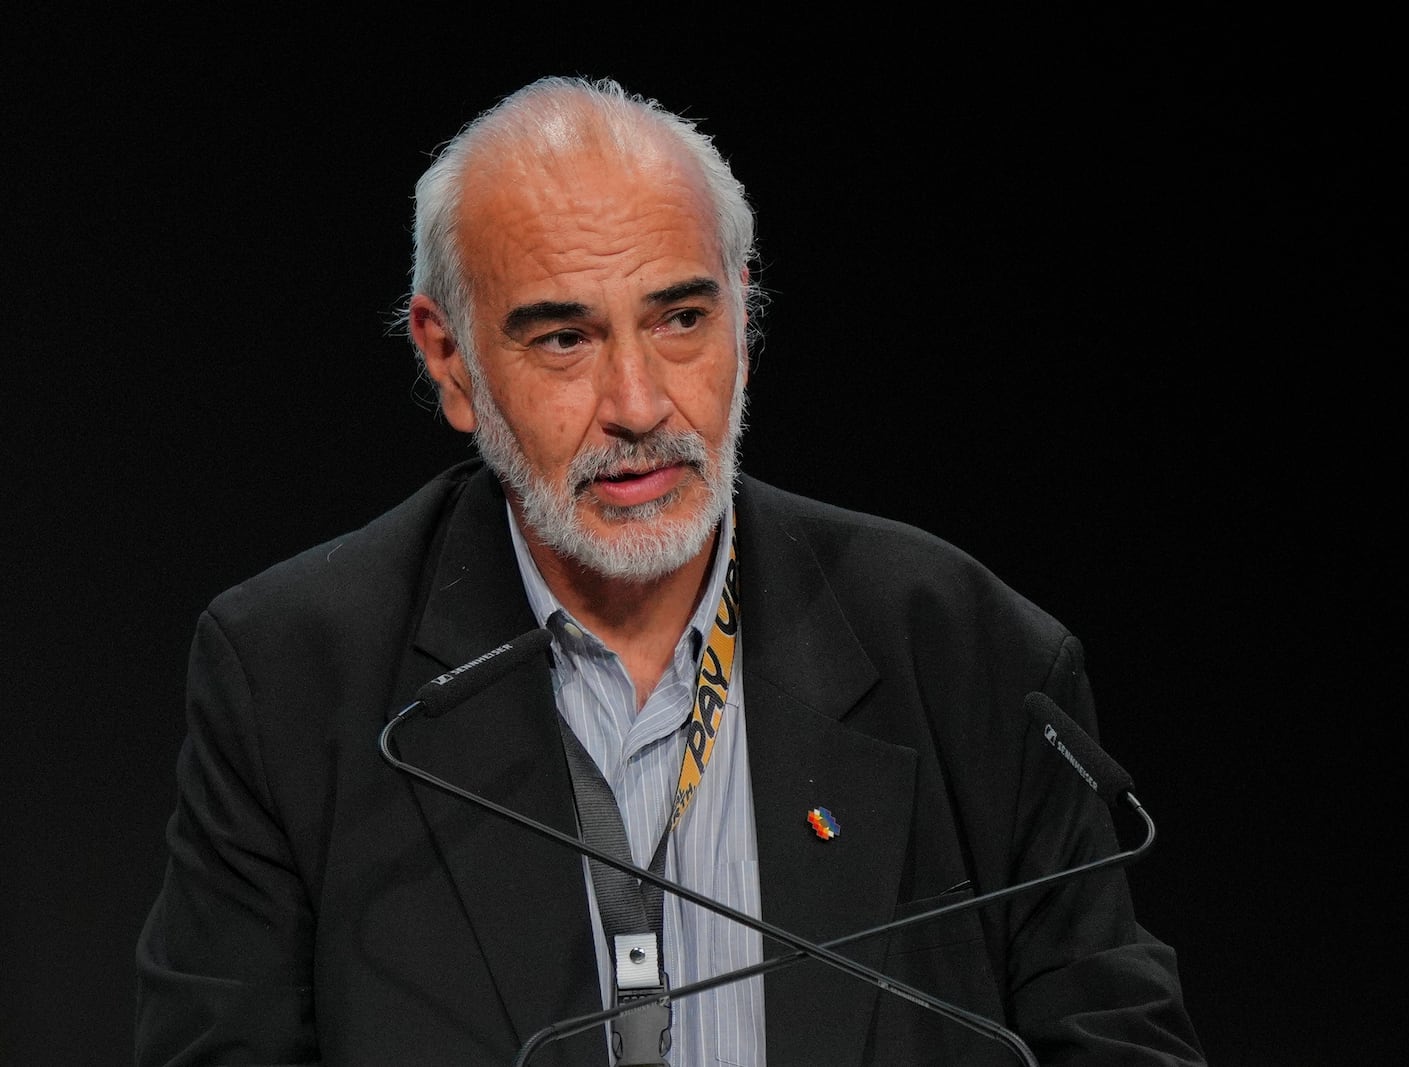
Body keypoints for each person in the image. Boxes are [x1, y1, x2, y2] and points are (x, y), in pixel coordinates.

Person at [135, 75, 1206, 1067]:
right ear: (450, 359)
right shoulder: (293, 676)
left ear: (746, 310)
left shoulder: (968, 652)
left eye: (681, 318)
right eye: (564, 340)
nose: (639, 404)